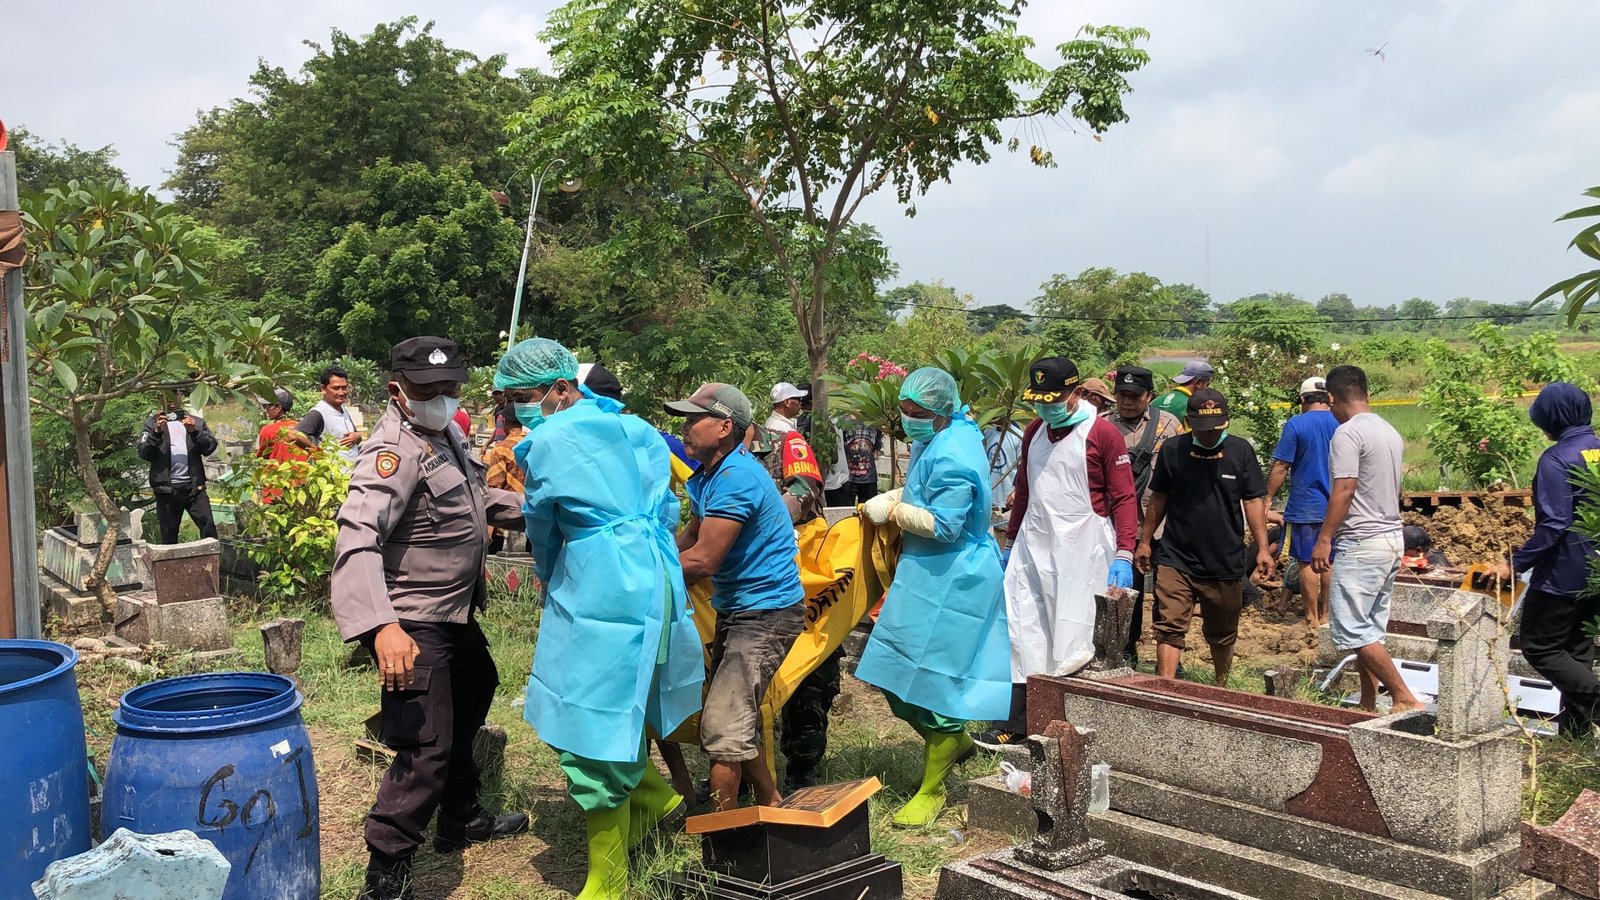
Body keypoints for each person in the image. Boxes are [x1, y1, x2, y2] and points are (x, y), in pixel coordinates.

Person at [329, 337, 529, 900]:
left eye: (450, 388)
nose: (441, 398)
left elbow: (474, 498)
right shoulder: (390, 451)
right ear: (398, 390)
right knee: (425, 743)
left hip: (453, 610)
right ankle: (386, 870)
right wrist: (381, 626)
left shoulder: (446, 433)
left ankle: (460, 814)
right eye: (428, 390)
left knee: (475, 688)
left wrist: (538, 512)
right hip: (412, 616)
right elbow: (358, 536)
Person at [507, 339, 704, 900]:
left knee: (589, 716)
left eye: (526, 396)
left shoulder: (545, 441)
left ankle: (610, 878)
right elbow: (668, 509)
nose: (521, 408)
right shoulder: (640, 429)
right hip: (654, 571)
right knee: (623, 703)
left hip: (599, 581)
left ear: (563, 388)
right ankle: (645, 799)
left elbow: (542, 523)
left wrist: (552, 573)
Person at [856, 368, 1011, 826]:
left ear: (940, 411)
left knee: (939, 682)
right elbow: (928, 489)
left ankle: (933, 788)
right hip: (923, 574)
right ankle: (954, 743)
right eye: (904, 412)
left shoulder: (956, 453)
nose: (908, 421)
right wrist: (901, 494)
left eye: (916, 414)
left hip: (955, 575)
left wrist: (896, 511)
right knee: (892, 668)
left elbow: (946, 526)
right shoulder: (942, 435)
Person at [978, 357, 1138, 748]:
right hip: (1035, 544)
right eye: (1039, 401)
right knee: (1024, 631)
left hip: (1082, 550)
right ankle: (1017, 724)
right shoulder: (1035, 430)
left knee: (1074, 635)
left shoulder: (1101, 434)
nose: (1045, 408)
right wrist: (1012, 543)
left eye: (1054, 400)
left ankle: (1069, 728)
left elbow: (1123, 497)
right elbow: (1025, 493)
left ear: (1076, 394)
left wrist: (1125, 553)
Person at [667, 383, 806, 812]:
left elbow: (704, 560)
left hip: (766, 614)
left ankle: (723, 837)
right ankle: (772, 802)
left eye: (694, 419)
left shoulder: (736, 479)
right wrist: (651, 560)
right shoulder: (708, 476)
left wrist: (637, 581)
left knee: (723, 726)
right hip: (740, 608)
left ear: (725, 427)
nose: (685, 428)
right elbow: (687, 540)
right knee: (733, 717)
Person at [1136, 389, 1275, 685]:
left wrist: (1263, 547)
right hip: (1177, 555)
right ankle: (1166, 690)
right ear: (1189, 422)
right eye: (1203, 429)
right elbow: (1159, 497)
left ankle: (1221, 686)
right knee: (1169, 626)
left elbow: (1253, 501)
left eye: (1216, 428)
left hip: (1224, 559)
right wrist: (1145, 541)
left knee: (1222, 633)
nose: (1210, 435)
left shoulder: (1240, 451)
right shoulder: (1174, 450)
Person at [1311, 365, 1424, 713]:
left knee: (1352, 629)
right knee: (1371, 628)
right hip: (1391, 537)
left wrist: (1325, 538)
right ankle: (1368, 700)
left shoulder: (1347, 434)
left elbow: (1344, 489)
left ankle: (1404, 697)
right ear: (1366, 394)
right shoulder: (1389, 431)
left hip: (1361, 541)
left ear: (1331, 398)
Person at [1490, 382, 1600, 736]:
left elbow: (1554, 523)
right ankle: (1573, 735)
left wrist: (1514, 563)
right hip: (1595, 570)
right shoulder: (1597, 449)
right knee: (1577, 650)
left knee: (1540, 646)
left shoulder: (1557, 459)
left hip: (1565, 571)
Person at [1102, 366, 1182, 664]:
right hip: (1119, 525)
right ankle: (1125, 648)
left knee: (1167, 593)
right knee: (1124, 591)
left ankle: (1169, 653)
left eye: (1135, 396)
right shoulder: (1103, 426)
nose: (1128, 401)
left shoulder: (1169, 425)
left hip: (1162, 525)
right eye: (1122, 394)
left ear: (1150, 396)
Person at [1266, 377, 1340, 626]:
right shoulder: (1341, 422)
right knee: (1330, 559)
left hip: (1307, 504)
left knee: (1307, 560)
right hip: (1338, 504)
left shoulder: (1296, 424)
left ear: (1301, 400)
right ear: (1329, 398)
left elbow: (1281, 465)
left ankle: (1310, 616)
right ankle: (1327, 614)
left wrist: (1268, 497)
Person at [138, 395, 219, 544]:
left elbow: (210, 448)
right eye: (165, 395)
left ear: (180, 396)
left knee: (208, 529)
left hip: (195, 489)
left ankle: (210, 565)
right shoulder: (152, 423)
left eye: (173, 393)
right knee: (169, 536)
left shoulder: (196, 422)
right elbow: (144, 453)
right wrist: (156, 433)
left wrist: (194, 432)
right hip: (167, 490)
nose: (170, 399)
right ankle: (171, 567)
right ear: (159, 398)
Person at [295, 365, 364, 459]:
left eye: (344, 388)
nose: (341, 392)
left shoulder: (343, 409)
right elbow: (294, 435)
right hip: (331, 472)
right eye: (336, 388)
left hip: (350, 471)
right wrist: (317, 453)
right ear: (323, 389)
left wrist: (357, 436)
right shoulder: (319, 413)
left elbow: (355, 433)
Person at [840, 417, 885, 504]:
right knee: (846, 513)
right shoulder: (844, 421)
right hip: (848, 478)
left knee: (869, 512)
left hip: (869, 478)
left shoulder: (875, 422)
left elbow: (876, 447)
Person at [256, 387, 304, 463]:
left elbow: (261, 458)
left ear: (278, 408)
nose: (266, 409)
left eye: (267, 406)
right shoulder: (302, 427)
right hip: (301, 473)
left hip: (276, 473)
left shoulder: (267, 430)